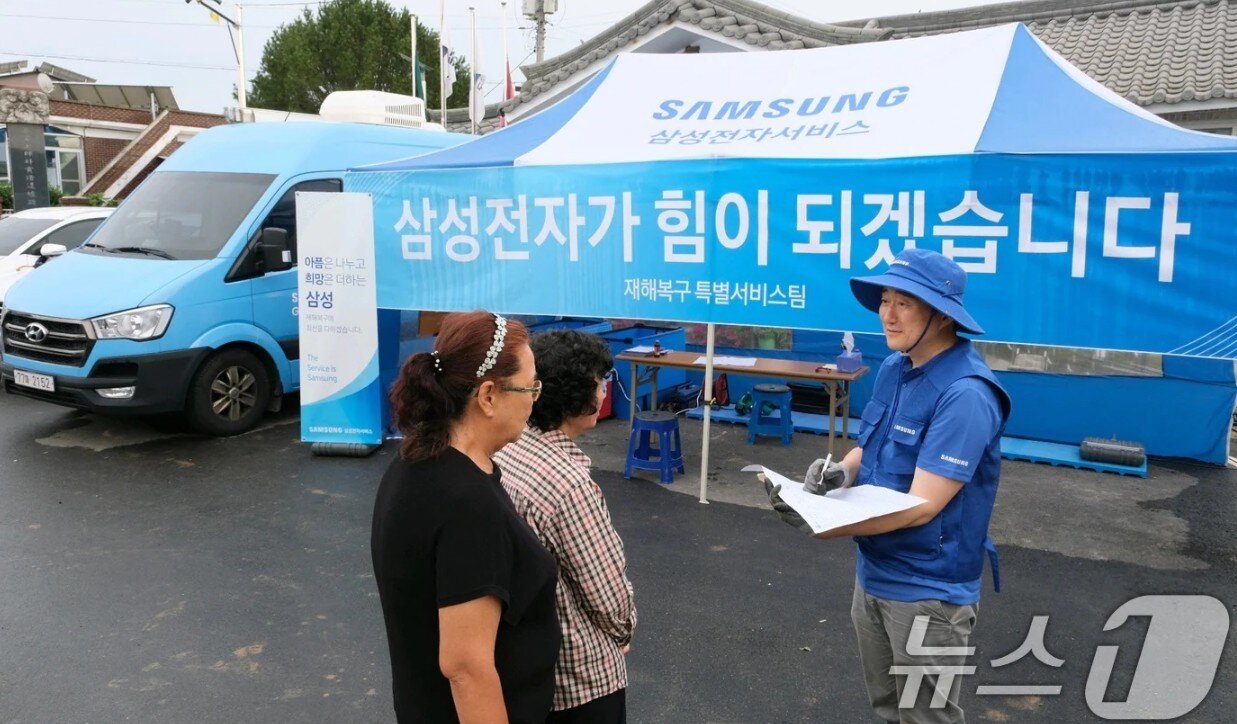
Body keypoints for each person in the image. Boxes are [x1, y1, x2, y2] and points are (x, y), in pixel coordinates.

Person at [765, 249, 1011, 724]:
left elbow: (922, 506)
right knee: (887, 707)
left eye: (905, 303)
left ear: (941, 316)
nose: (888, 314)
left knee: (926, 717)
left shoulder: (967, 394)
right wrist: (843, 472)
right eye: (885, 300)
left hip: (927, 591)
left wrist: (822, 523)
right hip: (874, 571)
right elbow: (871, 447)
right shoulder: (895, 369)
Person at [371, 311, 560, 723]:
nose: (534, 398)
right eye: (530, 386)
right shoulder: (466, 501)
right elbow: (465, 668)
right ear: (488, 395)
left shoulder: (414, 462)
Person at [494, 330, 637, 723]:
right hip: (583, 678)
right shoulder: (568, 483)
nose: (605, 391)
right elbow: (607, 593)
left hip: (530, 666)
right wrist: (624, 630)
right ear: (578, 394)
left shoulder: (509, 447)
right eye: (600, 382)